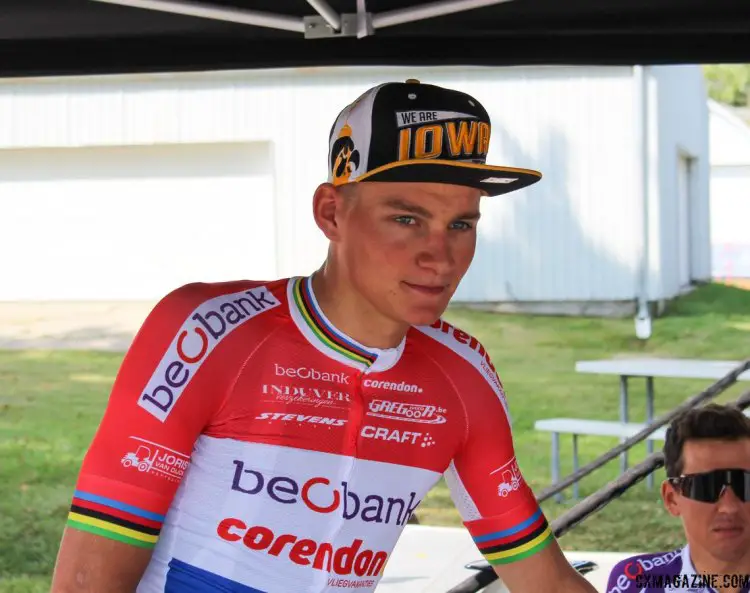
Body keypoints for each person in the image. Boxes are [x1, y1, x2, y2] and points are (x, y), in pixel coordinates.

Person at [51, 79, 597, 593]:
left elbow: (544, 581)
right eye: (406, 219)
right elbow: (89, 574)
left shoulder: (463, 375)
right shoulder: (211, 330)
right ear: (331, 212)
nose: (441, 255)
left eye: (461, 224)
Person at [606, 403, 750, 593]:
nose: (729, 507)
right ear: (672, 499)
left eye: (745, 484)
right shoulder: (637, 581)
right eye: (706, 487)